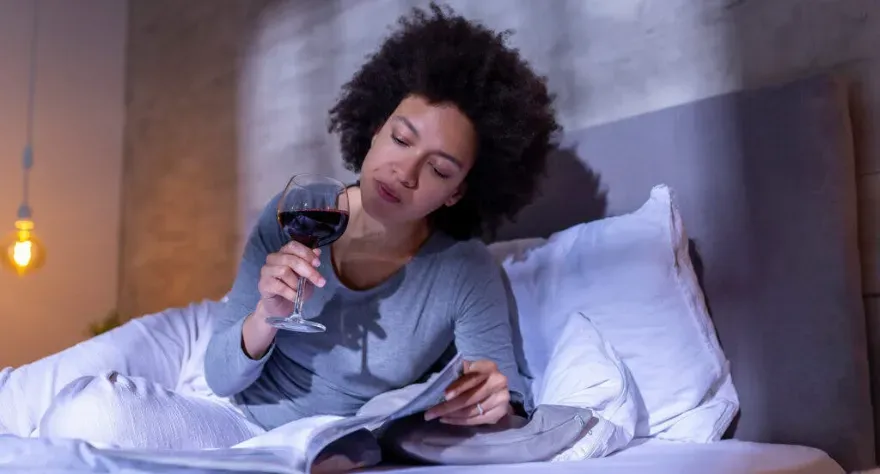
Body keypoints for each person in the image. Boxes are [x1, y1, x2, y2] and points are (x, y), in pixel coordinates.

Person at [0, 2, 560, 449]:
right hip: (210, 351)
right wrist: (266, 316)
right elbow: (223, 373)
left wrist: (494, 402)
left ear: (457, 191)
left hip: (275, 433)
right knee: (20, 398)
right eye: (400, 138)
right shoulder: (302, 209)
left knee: (89, 415)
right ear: (374, 129)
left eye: (438, 169)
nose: (404, 172)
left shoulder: (462, 271)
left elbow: (506, 396)